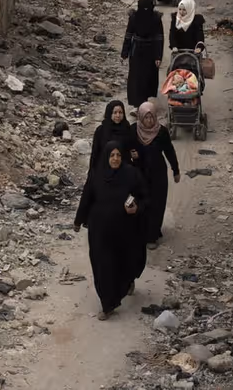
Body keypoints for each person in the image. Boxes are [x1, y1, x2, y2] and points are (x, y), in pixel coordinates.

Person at [73, 141, 148, 320]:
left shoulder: (131, 174)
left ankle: (127, 282)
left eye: (118, 155)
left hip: (124, 230)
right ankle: (108, 304)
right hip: (99, 230)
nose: (115, 159)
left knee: (121, 264)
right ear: (106, 157)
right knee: (101, 265)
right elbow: (86, 198)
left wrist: (136, 207)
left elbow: (145, 197)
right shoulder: (96, 174)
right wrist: (78, 220)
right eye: (112, 155)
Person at [132, 101, 181, 249]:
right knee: (141, 202)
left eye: (151, 117)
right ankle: (141, 232)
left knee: (157, 204)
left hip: (158, 173)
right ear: (141, 117)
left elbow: (169, 151)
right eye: (146, 118)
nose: (149, 121)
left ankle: (152, 236)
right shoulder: (133, 130)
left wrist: (176, 170)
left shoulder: (161, 132)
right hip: (139, 173)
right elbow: (124, 146)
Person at [121, 0, 164, 107]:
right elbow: (128, 35)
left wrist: (158, 56)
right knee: (136, 77)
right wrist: (124, 53)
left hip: (151, 51)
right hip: (136, 51)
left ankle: (145, 102)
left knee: (148, 77)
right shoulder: (134, 18)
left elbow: (159, 38)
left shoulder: (156, 19)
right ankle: (136, 104)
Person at [89, 100, 134, 173]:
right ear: (109, 113)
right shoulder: (101, 130)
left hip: (123, 170)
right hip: (104, 169)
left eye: (120, 112)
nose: (118, 115)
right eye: (115, 112)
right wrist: (92, 172)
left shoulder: (127, 129)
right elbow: (95, 153)